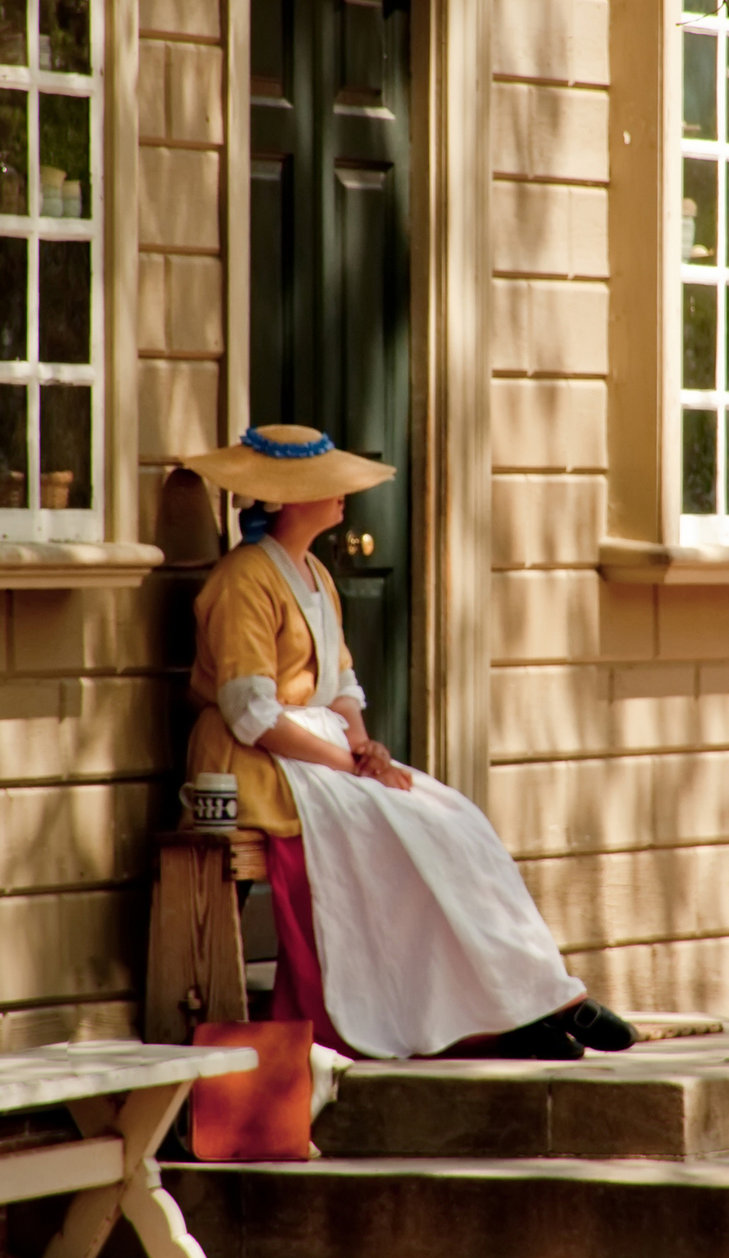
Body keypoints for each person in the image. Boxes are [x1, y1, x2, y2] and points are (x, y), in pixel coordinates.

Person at [181, 425, 637, 1062]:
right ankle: (481, 1012)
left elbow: (341, 684)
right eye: (329, 486)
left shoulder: (314, 573)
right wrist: (347, 763)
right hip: (263, 761)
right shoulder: (243, 581)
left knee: (454, 819)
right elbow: (250, 712)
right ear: (288, 497)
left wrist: (365, 749)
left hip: (323, 749)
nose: (344, 496)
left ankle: (521, 996)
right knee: (399, 831)